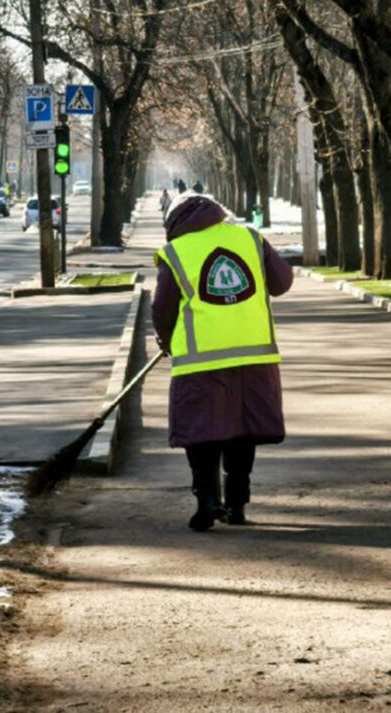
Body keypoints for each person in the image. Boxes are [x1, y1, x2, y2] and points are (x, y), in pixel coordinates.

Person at [152, 193, 293, 531]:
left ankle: (207, 501)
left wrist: (166, 339)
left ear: (173, 224)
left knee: (201, 431)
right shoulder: (249, 238)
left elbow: (162, 309)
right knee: (241, 430)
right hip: (254, 355)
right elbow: (282, 283)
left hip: (200, 360)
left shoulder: (176, 252)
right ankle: (237, 503)